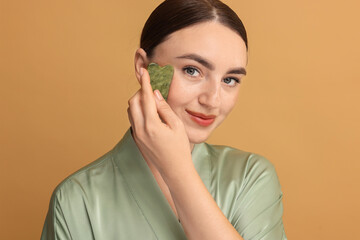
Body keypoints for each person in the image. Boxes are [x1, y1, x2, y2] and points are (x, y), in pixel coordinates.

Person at [41, 0, 286, 239]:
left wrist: (177, 170)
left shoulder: (249, 177)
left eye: (230, 79)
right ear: (143, 67)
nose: (212, 100)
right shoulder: (77, 198)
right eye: (192, 70)